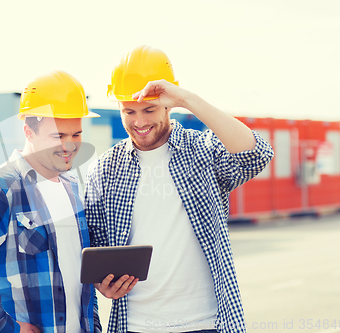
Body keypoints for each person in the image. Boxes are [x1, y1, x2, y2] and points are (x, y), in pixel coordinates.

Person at [85, 46, 274, 333]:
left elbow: (256, 154)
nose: (139, 122)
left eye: (149, 109)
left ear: (168, 104)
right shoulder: (105, 168)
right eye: (129, 111)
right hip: (135, 325)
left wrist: (187, 98)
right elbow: (97, 248)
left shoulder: (201, 150)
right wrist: (104, 284)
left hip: (206, 323)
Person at [0, 71, 107, 333]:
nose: (70, 145)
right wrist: (5, 328)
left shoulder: (74, 189)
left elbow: (77, 274)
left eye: (76, 134)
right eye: (58, 135)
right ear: (28, 131)